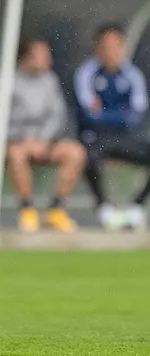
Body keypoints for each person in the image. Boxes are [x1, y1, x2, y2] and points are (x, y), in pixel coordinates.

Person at [74, 24, 150, 231]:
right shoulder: (87, 73)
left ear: (123, 47)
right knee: (85, 155)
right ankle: (104, 208)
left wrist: (104, 113)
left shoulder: (132, 74)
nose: (111, 51)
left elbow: (137, 116)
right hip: (97, 138)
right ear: (97, 47)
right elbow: (88, 116)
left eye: (115, 45)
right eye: (106, 46)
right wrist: (120, 114)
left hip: (127, 139)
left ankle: (136, 207)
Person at [5, 38, 85, 233]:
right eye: (41, 55)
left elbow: (57, 115)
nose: (47, 59)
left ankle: (56, 209)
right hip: (18, 141)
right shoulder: (8, 81)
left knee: (75, 152)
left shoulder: (50, 81)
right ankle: (27, 210)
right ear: (25, 57)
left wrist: (44, 139)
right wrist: (25, 139)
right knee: (16, 154)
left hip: (46, 141)